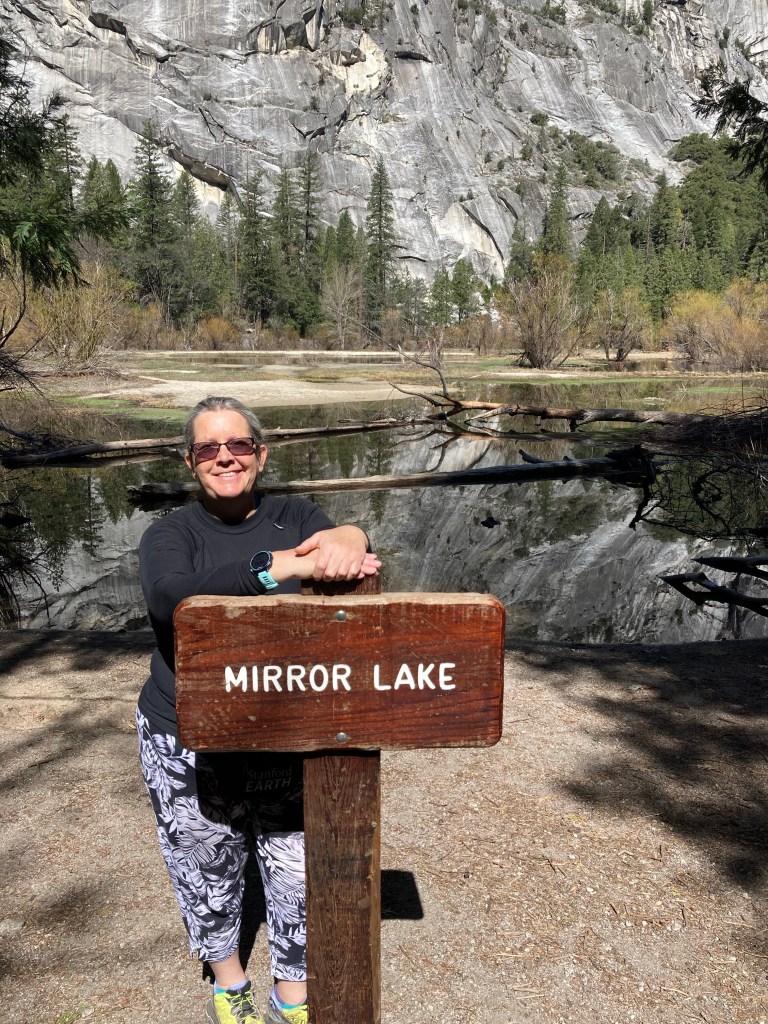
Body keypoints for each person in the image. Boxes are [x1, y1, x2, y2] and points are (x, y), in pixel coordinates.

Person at [136, 395, 381, 1024]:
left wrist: (353, 537)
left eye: (238, 445)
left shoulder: (295, 514)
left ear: (260, 453)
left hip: (283, 725)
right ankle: (229, 983)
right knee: (207, 864)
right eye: (208, 448)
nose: (225, 457)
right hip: (186, 729)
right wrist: (276, 567)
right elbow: (171, 597)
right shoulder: (170, 533)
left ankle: (291, 994)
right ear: (190, 461)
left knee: (296, 863)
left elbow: (342, 548)